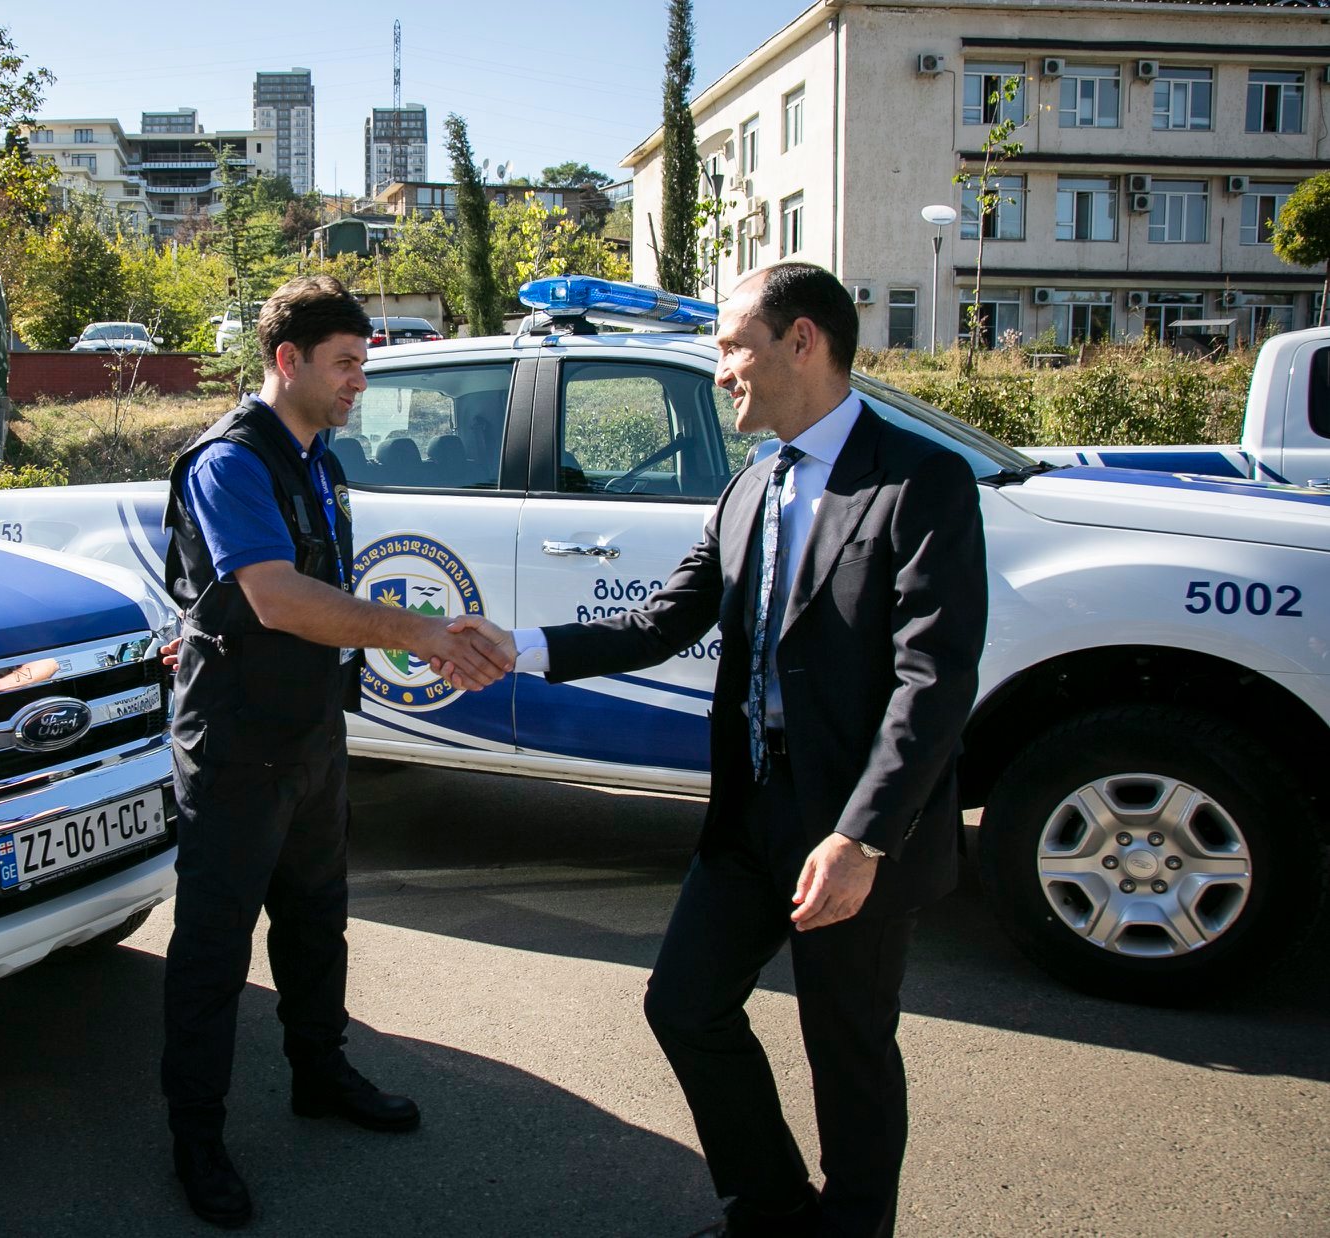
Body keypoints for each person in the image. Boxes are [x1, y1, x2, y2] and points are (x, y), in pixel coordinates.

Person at [443, 262, 987, 1237]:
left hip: (851, 829)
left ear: (803, 341)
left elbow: (933, 679)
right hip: (752, 811)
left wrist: (863, 837)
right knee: (685, 1005)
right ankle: (772, 1207)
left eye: (734, 345)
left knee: (848, 1046)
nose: (722, 367)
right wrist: (518, 648)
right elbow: (661, 621)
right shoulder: (749, 489)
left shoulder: (919, 480)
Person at [159, 274, 512, 1228]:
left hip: (311, 731)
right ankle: (196, 1139)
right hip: (237, 742)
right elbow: (277, 599)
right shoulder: (231, 462)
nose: (362, 380)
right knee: (213, 950)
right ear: (289, 360)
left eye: (364, 362)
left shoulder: (320, 457)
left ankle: (319, 1074)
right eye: (347, 363)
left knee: (317, 923)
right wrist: (421, 633)